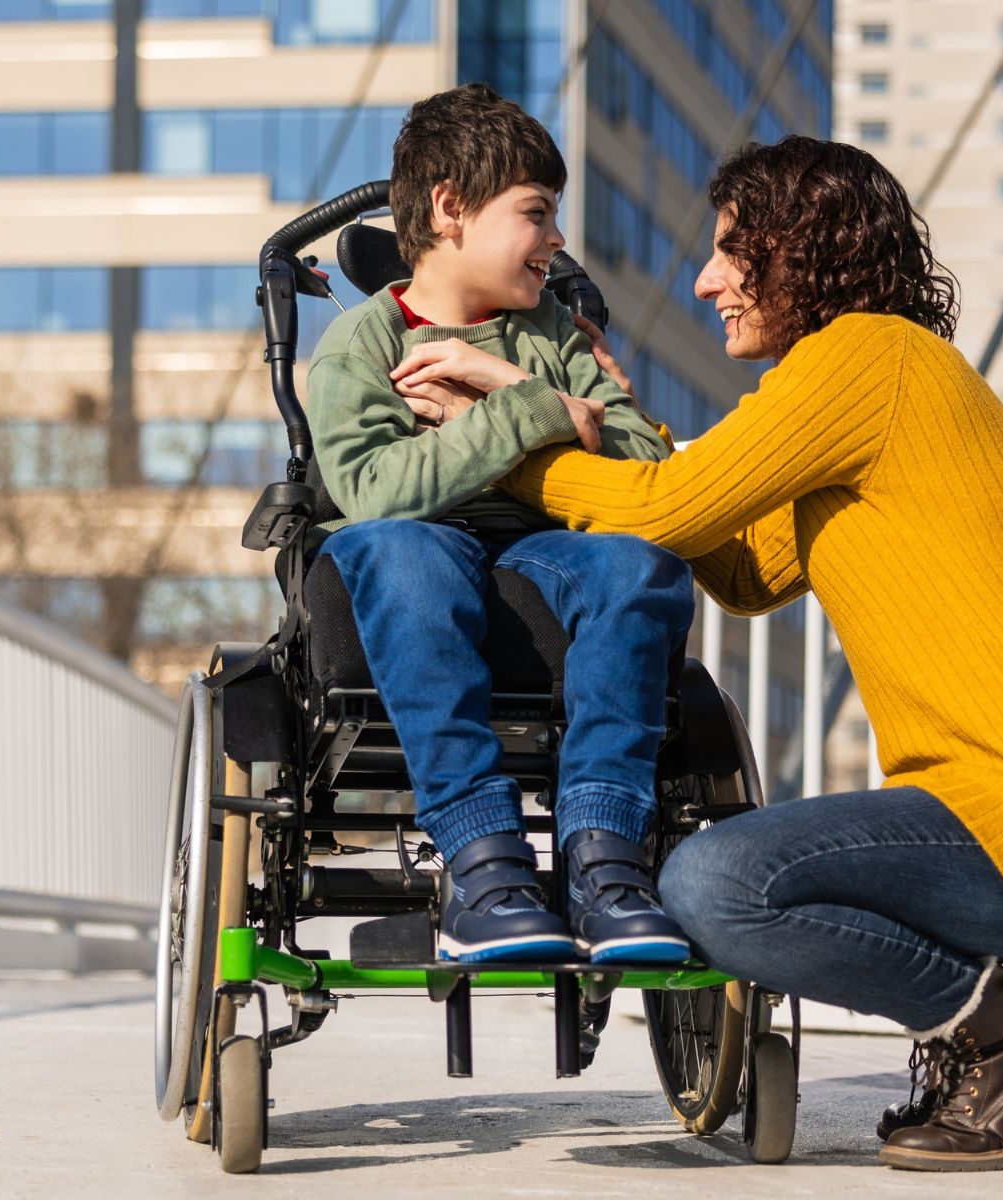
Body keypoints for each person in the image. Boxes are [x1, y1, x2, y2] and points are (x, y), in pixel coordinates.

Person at [389, 135, 1003, 1171]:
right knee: (718, 879)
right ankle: (986, 1035)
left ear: (798, 251)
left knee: (713, 884)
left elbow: (664, 511)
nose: (706, 281)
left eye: (727, 251)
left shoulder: (869, 360)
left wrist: (516, 435)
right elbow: (742, 570)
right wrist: (610, 430)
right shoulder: (867, 386)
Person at [303, 84, 693, 965]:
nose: (557, 239)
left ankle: (604, 857)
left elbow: (641, 464)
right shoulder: (362, 345)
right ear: (450, 209)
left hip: (540, 547)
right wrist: (547, 415)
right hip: (413, 549)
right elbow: (374, 490)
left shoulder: (554, 332)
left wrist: (508, 385)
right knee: (405, 550)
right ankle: (485, 864)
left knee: (642, 567)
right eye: (537, 213)